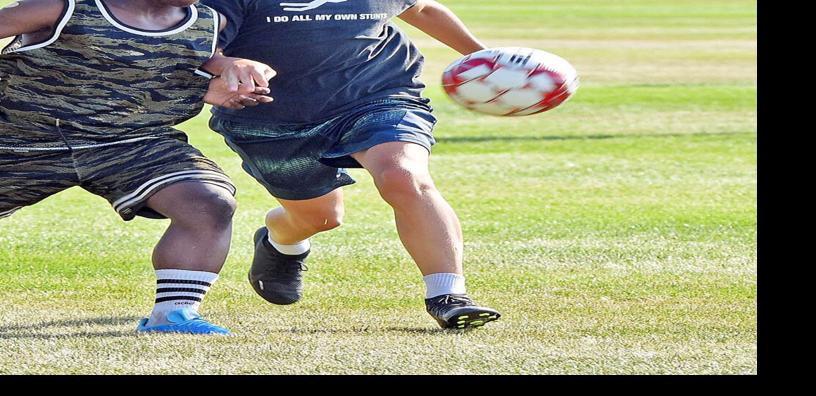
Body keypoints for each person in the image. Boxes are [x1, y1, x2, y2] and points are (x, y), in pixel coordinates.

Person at [204, 0, 501, 330]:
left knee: (402, 175)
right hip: (270, 116)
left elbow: (421, 10)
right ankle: (281, 241)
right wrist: (229, 63)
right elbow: (198, 44)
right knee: (321, 217)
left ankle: (449, 296)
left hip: (377, 93)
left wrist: (485, 58)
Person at [0, 0, 276, 335]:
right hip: (23, 140)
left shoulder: (207, 20)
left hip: (134, 141)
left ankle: (173, 315)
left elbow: (195, 61)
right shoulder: (64, 8)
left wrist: (230, 68)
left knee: (208, 202)